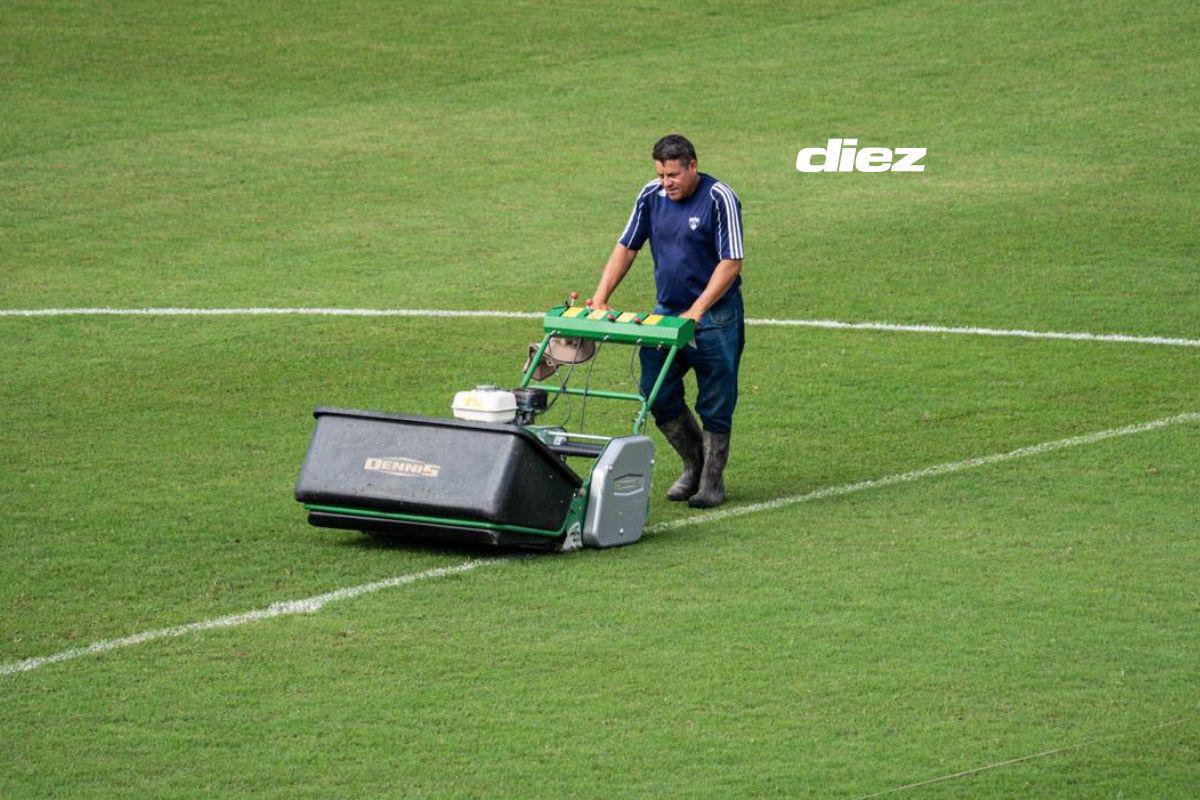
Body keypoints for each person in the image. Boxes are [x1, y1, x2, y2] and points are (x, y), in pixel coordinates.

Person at [589, 134, 745, 509]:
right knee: (655, 390)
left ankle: (711, 481)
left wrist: (698, 308)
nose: (666, 182)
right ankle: (693, 464)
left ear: (693, 166)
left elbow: (731, 262)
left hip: (716, 317)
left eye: (673, 174)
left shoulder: (719, 198)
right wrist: (600, 297)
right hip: (666, 313)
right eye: (660, 174)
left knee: (716, 398)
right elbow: (627, 246)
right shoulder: (650, 196)